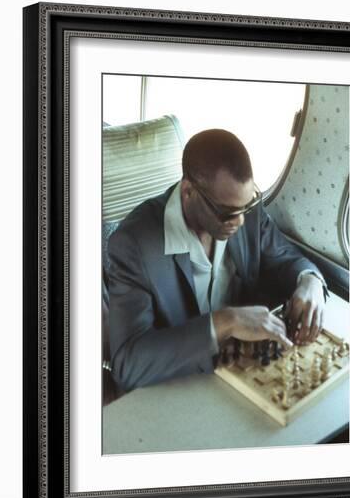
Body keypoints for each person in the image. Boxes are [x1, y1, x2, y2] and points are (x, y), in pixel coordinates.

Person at [107, 129, 327, 391]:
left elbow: (285, 257)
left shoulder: (244, 209)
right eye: (227, 213)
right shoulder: (133, 244)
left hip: (242, 369)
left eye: (246, 207)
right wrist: (224, 322)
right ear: (188, 192)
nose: (240, 221)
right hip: (180, 383)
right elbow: (128, 365)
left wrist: (310, 281)